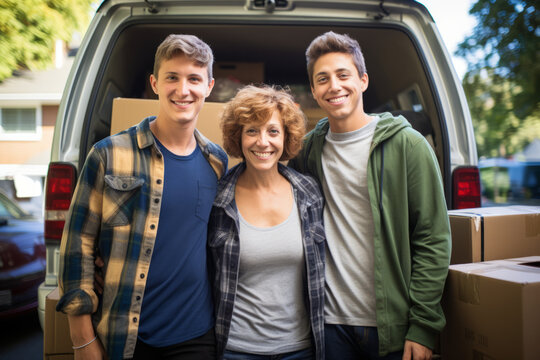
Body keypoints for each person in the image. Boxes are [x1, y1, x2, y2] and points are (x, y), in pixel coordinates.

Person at [56, 34, 228, 360]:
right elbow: (77, 247)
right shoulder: (109, 154)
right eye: (172, 78)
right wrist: (81, 339)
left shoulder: (216, 161)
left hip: (197, 336)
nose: (183, 89)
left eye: (194, 79)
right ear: (154, 83)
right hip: (125, 336)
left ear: (209, 86)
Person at [288, 31, 451, 360]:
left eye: (343, 75)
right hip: (330, 324)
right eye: (322, 79)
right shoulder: (307, 152)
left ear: (362, 80)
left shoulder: (408, 146)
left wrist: (424, 325)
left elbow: (433, 238)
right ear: (315, 92)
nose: (334, 86)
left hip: (393, 327)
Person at [209, 85, 326, 360]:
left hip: (300, 348)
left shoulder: (309, 193)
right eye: (252, 130)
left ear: (287, 137)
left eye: (273, 131)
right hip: (236, 349)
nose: (263, 142)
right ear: (238, 137)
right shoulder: (218, 197)